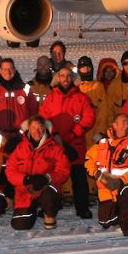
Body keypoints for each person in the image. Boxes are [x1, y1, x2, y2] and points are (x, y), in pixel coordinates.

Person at [40, 67, 96, 219]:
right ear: (58, 78)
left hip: (75, 144)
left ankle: (82, 207)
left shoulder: (82, 98)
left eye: (68, 76)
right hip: (55, 145)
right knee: (53, 177)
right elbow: (43, 119)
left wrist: (74, 133)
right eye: (62, 76)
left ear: (73, 78)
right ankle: (51, 205)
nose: (65, 78)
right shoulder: (51, 98)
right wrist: (54, 135)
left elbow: (89, 118)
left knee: (79, 178)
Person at [6, 116, 71, 230]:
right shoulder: (20, 148)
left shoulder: (55, 148)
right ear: (28, 129)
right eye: (33, 128)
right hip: (26, 190)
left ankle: (49, 213)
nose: (37, 131)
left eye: (40, 128)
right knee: (20, 225)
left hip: (46, 187)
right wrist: (25, 179)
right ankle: (32, 209)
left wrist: (47, 178)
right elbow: (10, 170)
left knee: (49, 195)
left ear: (45, 129)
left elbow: (64, 171)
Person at [85, 114, 128, 235]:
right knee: (105, 222)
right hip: (105, 191)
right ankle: (120, 213)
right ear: (114, 126)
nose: (126, 125)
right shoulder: (101, 143)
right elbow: (88, 160)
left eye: (127, 122)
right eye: (123, 122)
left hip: (123, 186)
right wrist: (96, 173)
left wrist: (121, 181)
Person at [0, 58, 37, 140]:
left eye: (10, 69)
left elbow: (34, 112)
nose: (8, 72)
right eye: (5, 69)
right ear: (0, 70)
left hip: (22, 136)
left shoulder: (25, 89)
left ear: (14, 70)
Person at [76, 56, 111, 147]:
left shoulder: (98, 86)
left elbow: (103, 113)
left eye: (88, 68)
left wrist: (99, 132)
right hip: (78, 136)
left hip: (94, 134)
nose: (86, 70)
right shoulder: (75, 87)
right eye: (83, 68)